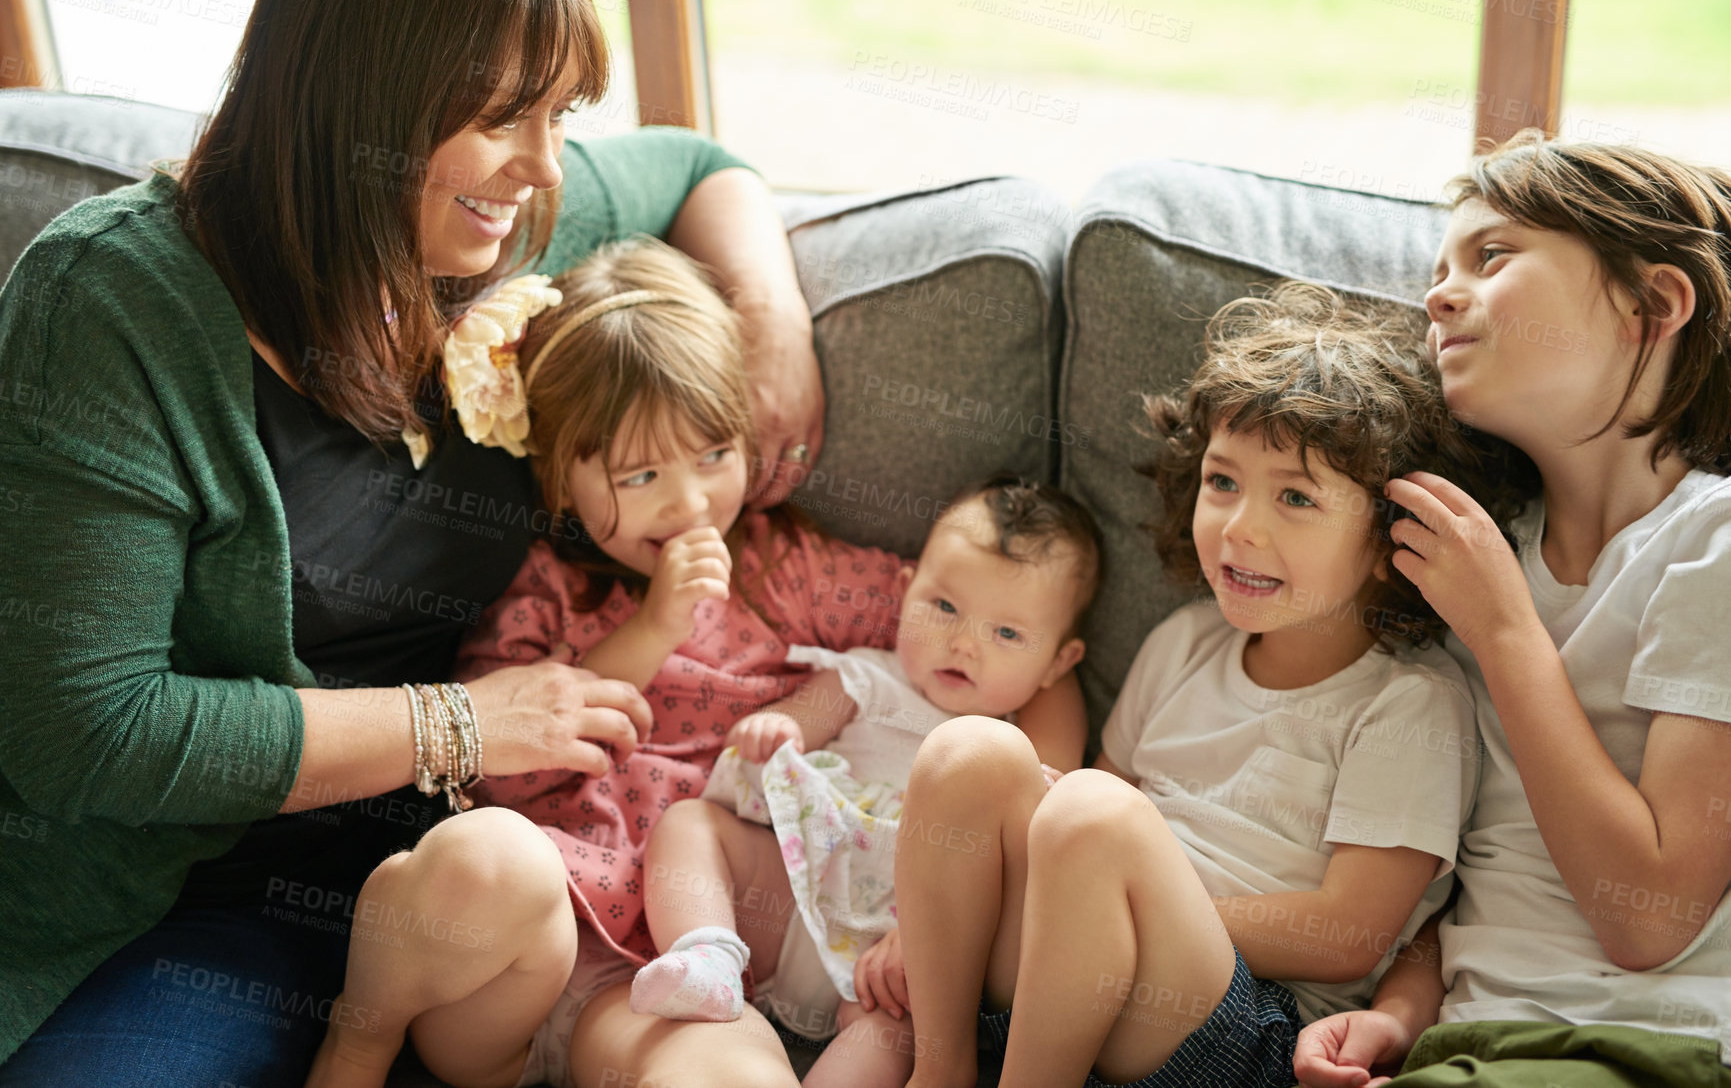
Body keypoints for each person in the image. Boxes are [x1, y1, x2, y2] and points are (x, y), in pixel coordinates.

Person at [0, 0, 826, 1084]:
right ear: (356, 108)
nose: (545, 169)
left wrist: (772, 322)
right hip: (199, 903)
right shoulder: (110, 304)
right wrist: (462, 724)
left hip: (478, 873)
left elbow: (698, 166)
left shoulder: (494, 229)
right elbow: (88, 734)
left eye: (562, 117)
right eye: (504, 120)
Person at [304, 238, 1089, 1088]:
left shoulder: (785, 569)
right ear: (558, 475)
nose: (688, 502)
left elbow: (993, 625)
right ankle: (357, 1043)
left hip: (682, 989)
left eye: (714, 455)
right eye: (640, 473)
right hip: (535, 953)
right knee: (487, 858)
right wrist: (653, 624)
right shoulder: (540, 592)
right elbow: (502, 773)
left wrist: (1042, 781)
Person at [895, 282, 1524, 1088]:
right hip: (1072, 978)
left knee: (1093, 815)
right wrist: (1063, 876)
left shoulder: (1410, 702)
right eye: (1222, 482)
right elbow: (1095, 798)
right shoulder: (1183, 641)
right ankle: (938, 1070)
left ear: (1385, 538)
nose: (1238, 526)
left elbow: (1347, 935)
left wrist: (1116, 894)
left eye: (1294, 496)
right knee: (968, 751)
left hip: (1240, 1024)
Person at [1293, 134, 1731, 1088]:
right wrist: (1394, 1013)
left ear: (1651, 305)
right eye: (1438, 270)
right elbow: (1476, 861)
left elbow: (1649, 916)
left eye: (1491, 257)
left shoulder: (1714, 543)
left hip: (1643, 1042)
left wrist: (1503, 633)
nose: (1437, 295)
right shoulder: (1473, 550)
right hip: (1467, 1042)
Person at [636, 471, 1100, 1088]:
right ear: (906, 591)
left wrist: (920, 934)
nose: (963, 643)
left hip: (888, 955)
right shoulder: (867, 679)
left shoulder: (1012, 751)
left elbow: (1030, 855)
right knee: (689, 824)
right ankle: (709, 955)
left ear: (1058, 663)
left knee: (899, 1031)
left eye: (1007, 633)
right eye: (943, 607)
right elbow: (788, 728)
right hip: (791, 896)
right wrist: (774, 732)